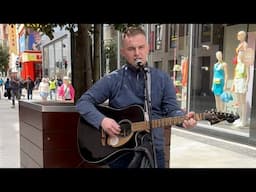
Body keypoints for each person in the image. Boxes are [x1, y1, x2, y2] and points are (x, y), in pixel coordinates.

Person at [76, 26, 197, 168]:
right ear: (123, 52)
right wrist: (102, 121)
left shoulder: (163, 79)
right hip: (120, 152)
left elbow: (172, 110)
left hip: (154, 150)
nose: (137, 53)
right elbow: (83, 102)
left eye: (141, 47)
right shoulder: (113, 79)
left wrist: (183, 119)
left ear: (148, 48)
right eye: (131, 49)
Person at [231, 50, 250, 127]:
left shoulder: (246, 64)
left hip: (242, 81)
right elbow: (235, 75)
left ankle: (243, 121)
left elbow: (248, 76)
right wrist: (233, 84)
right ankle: (240, 119)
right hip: (237, 82)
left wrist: (246, 85)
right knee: (239, 102)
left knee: (243, 102)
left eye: (242, 54)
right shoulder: (238, 64)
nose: (240, 56)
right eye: (239, 54)